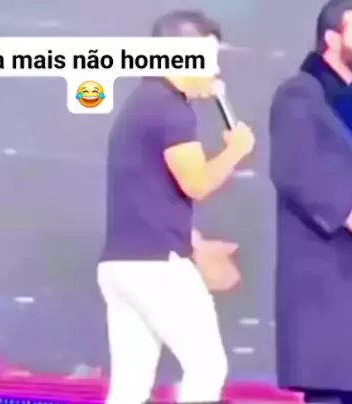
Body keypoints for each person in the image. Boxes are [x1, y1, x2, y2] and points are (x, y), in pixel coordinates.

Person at [97, 10, 255, 404]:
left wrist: (195, 241)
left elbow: (149, 193)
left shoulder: (141, 103)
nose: (216, 70)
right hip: (158, 265)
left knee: (131, 382)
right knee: (207, 366)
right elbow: (196, 183)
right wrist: (235, 150)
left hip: (120, 263)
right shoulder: (171, 109)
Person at [270, 0, 352, 403]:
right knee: (331, 384)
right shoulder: (299, 95)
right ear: (332, 38)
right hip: (323, 269)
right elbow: (294, 171)